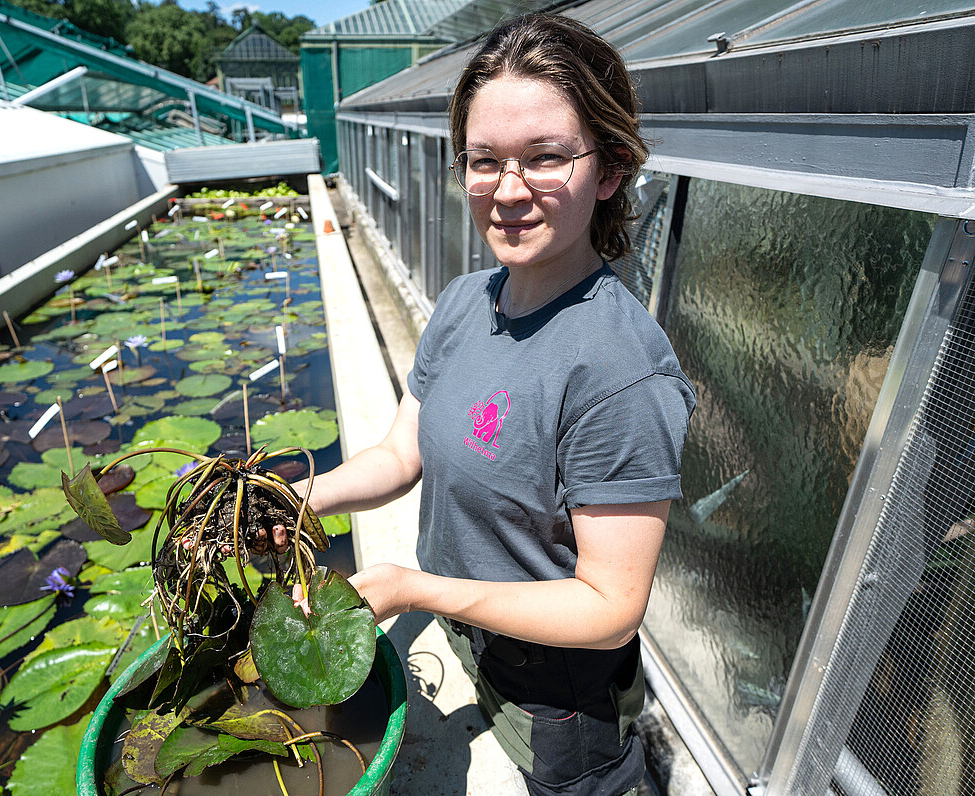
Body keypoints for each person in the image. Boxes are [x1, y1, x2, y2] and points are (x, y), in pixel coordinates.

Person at [275, 13, 695, 796]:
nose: (506, 192)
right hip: (472, 629)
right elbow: (405, 455)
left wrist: (415, 589)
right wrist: (300, 498)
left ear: (608, 170)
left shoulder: (617, 373)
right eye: (483, 160)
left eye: (543, 159)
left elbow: (610, 607)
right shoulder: (469, 299)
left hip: (554, 689)